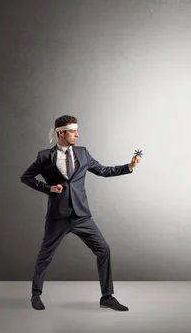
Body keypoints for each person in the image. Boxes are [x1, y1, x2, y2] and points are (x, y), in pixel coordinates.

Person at [21, 115, 140, 311]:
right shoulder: (44, 156)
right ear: (61, 132)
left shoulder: (83, 153)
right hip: (57, 217)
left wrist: (129, 167)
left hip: (81, 216)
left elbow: (103, 170)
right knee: (45, 255)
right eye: (73, 131)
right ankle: (36, 295)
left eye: (77, 130)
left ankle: (107, 297)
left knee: (103, 249)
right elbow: (26, 177)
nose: (78, 134)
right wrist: (48, 188)